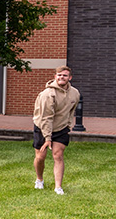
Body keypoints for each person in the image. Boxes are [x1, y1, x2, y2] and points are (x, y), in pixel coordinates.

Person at [32, 65, 80, 195]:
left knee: (58, 155)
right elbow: (46, 118)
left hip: (61, 127)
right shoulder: (48, 94)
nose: (61, 77)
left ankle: (58, 187)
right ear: (55, 77)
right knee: (40, 156)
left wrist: (68, 125)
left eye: (64, 75)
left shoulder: (75, 93)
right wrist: (48, 139)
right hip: (42, 126)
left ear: (69, 78)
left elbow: (72, 111)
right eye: (59, 75)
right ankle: (39, 179)